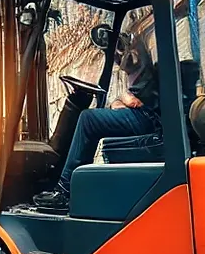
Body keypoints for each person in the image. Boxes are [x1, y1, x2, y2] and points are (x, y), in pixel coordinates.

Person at [34, 31, 160, 212]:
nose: (117, 59)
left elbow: (132, 101)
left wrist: (122, 98)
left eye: (117, 54)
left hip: (149, 119)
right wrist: (120, 100)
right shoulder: (138, 73)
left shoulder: (144, 64)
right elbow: (124, 100)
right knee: (94, 117)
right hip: (145, 117)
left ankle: (64, 190)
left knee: (88, 119)